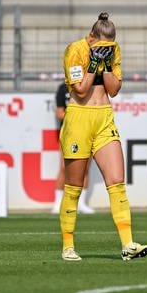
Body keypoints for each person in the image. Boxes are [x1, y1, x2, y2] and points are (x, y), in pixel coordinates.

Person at [59, 12, 147, 261]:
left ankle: (128, 244)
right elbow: (79, 90)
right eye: (103, 46)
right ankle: (68, 245)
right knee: (74, 187)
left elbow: (113, 89)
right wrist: (92, 64)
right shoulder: (75, 50)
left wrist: (108, 63)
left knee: (117, 180)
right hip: (79, 118)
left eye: (111, 46)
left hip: (104, 118)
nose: (108, 49)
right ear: (91, 38)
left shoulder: (113, 50)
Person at [51, 82, 95, 214]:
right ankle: (58, 203)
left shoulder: (91, 86)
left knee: (85, 168)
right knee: (64, 168)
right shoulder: (63, 88)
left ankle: (81, 204)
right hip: (69, 132)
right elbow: (59, 113)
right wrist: (77, 118)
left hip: (88, 131)